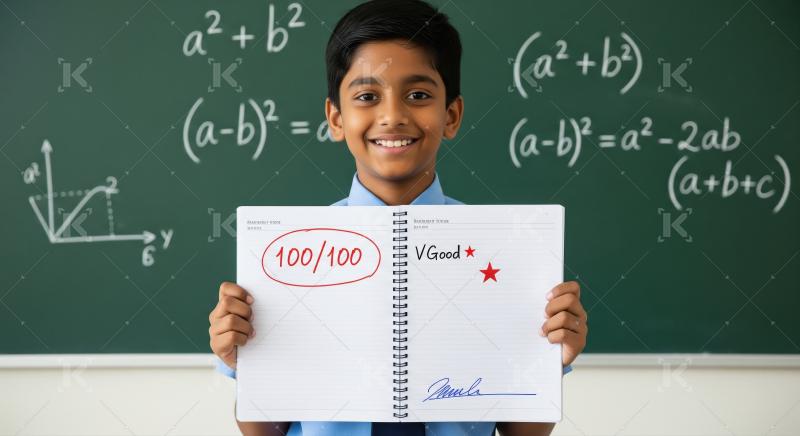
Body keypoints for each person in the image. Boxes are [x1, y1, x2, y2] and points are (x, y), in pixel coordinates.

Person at [209, 1, 588, 434]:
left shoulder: (504, 251)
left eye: (419, 95)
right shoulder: (289, 257)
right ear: (336, 118)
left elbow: (521, 432)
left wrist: (549, 361)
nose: (392, 116)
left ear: (452, 115)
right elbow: (267, 432)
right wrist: (247, 362)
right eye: (367, 97)